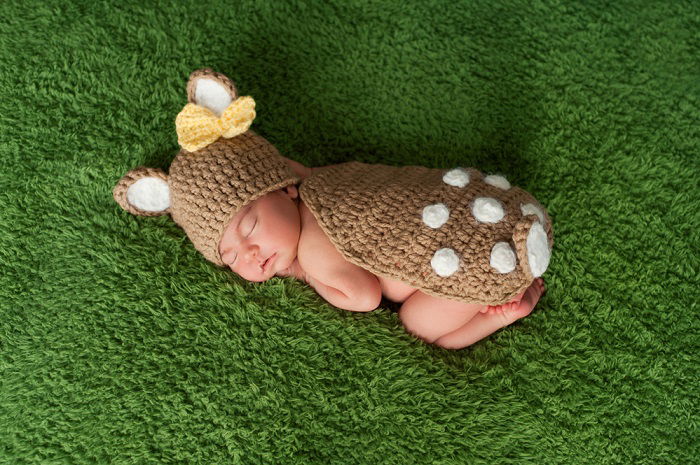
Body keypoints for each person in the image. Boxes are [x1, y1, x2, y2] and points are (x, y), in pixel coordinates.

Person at [113, 68, 551, 350]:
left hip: (471, 260)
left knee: (422, 327)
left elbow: (363, 297)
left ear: (285, 191)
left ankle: (501, 313)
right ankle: (512, 276)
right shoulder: (327, 180)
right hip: (497, 211)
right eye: (228, 256)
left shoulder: (316, 244)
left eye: (249, 226)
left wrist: (307, 272)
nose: (247, 254)